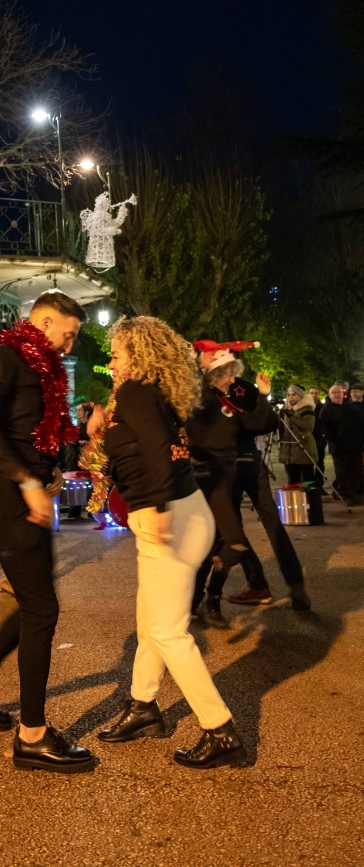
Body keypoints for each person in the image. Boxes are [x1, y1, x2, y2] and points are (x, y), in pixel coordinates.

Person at [0, 290, 95, 774]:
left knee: (36, 602)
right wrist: (28, 479)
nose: (70, 346)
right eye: (68, 334)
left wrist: (51, 469)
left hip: (29, 494)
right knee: (42, 608)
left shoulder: (46, 369)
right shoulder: (3, 360)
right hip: (5, 497)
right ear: (46, 323)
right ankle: (32, 736)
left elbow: (35, 431)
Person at [92, 316, 245, 770]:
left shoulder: (137, 391)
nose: (112, 359)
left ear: (137, 354)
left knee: (167, 631)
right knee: (151, 622)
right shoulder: (148, 393)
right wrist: (104, 435)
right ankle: (143, 708)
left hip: (170, 515)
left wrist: (158, 508)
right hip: (180, 510)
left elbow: (158, 449)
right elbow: (143, 450)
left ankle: (220, 730)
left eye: (117, 352)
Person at [186, 340, 272, 630]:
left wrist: (262, 395)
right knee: (226, 542)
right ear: (214, 374)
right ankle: (201, 600)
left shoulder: (228, 400)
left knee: (220, 542)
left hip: (227, 476)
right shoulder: (200, 396)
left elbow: (257, 423)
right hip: (208, 477)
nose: (233, 381)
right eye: (229, 375)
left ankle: (203, 602)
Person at [230, 378, 311, 610]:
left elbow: (262, 422)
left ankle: (259, 585)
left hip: (232, 465)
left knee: (233, 529)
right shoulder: (243, 386)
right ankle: (295, 585)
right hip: (251, 462)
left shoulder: (216, 386)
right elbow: (268, 422)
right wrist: (262, 397)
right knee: (271, 522)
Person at [320, 385, 364, 507]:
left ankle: (353, 493)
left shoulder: (350, 408)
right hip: (338, 447)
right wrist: (334, 439)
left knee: (356, 471)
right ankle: (344, 495)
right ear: (329, 395)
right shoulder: (326, 410)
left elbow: (359, 425)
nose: (336, 395)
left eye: (338, 392)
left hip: (355, 445)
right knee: (342, 473)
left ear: (342, 394)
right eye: (333, 393)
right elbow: (324, 429)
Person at [278, 386, 317, 484]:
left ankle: (311, 499)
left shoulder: (307, 408)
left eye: (294, 395)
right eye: (289, 395)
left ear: (300, 395)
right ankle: (296, 499)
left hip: (303, 449)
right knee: (293, 482)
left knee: (307, 481)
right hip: (289, 452)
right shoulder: (286, 409)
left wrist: (291, 417)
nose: (291, 397)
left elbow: (307, 426)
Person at [309, 387, 327, 489]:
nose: (314, 395)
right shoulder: (306, 407)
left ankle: (319, 486)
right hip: (308, 439)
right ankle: (310, 485)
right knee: (308, 464)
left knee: (320, 463)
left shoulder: (322, 408)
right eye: (312, 393)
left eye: (316, 393)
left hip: (320, 439)